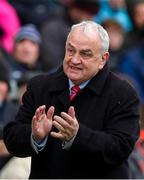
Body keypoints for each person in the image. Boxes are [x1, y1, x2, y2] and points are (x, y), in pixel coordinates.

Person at [3, 20, 140, 179]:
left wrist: (78, 136)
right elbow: (12, 138)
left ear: (103, 59)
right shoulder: (39, 86)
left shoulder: (123, 93)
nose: (74, 60)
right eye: (70, 50)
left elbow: (121, 148)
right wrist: (34, 136)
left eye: (85, 54)